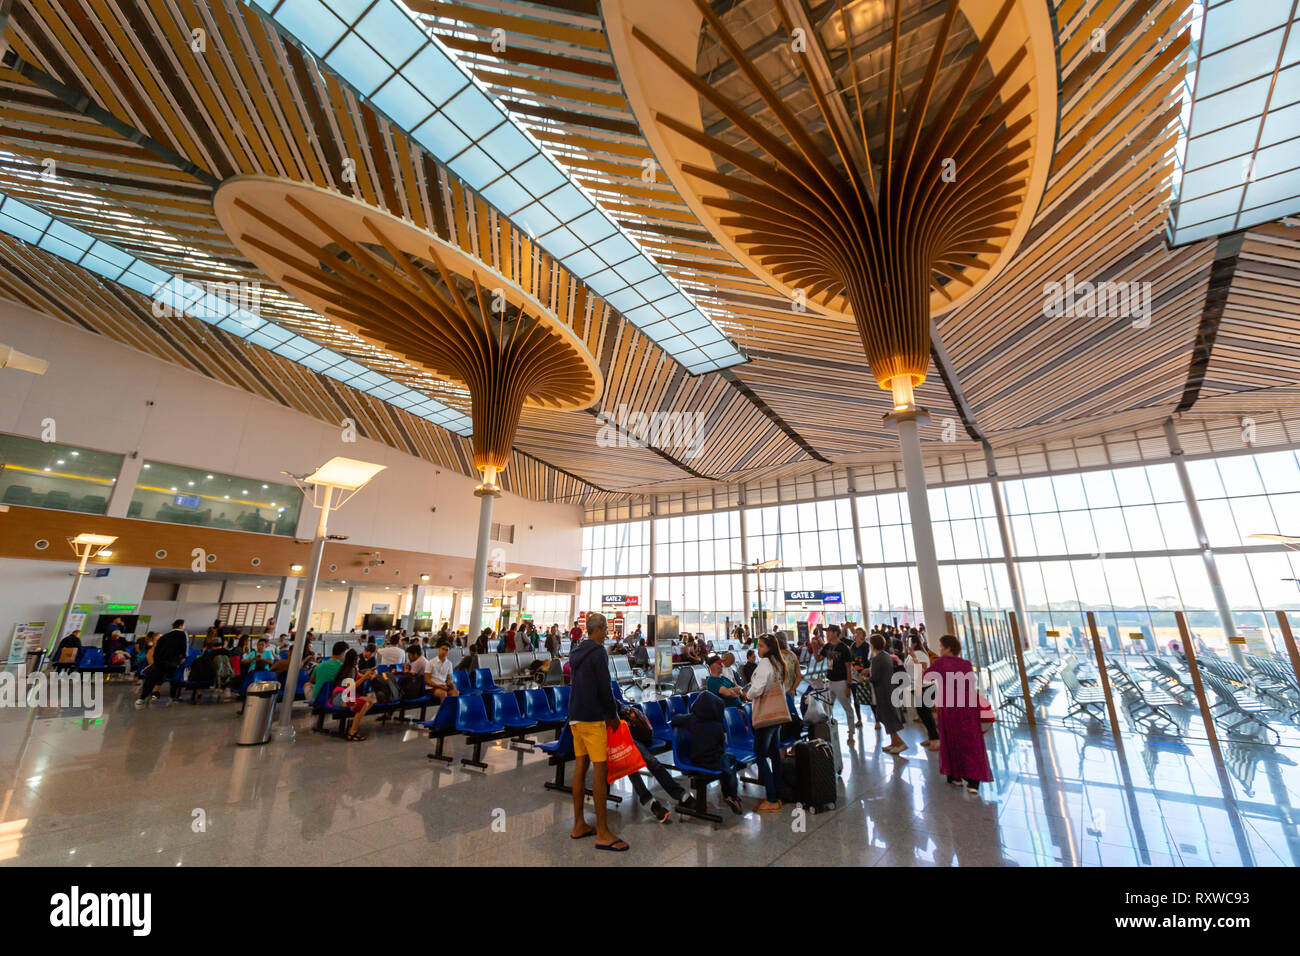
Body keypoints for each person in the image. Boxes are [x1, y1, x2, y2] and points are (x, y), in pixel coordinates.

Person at [567, 611, 626, 852]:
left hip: (574, 716)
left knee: (581, 767)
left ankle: (579, 823)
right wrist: (612, 715)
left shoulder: (576, 652)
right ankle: (602, 832)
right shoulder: (599, 652)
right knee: (600, 771)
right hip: (592, 718)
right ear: (599, 629)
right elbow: (604, 686)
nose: (607, 633)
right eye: (606, 629)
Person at [924, 634, 993, 793]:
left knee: (951, 740)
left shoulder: (940, 663)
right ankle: (973, 780)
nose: (940, 649)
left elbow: (927, 677)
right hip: (968, 708)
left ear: (948, 648)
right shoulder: (966, 664)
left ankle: (955, 775)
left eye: (941, 646)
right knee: (970, 742)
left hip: (949, 708)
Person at [619, 703, 694, 823]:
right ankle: (651, 802)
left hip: (623, 732)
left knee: (651, 761)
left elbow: (616, 707)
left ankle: (680, 794)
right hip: (610, 737)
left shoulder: (604, 690)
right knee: (632, 763)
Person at [671, 691, 742, 815]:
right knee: (730, 762)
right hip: (713, 762)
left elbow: (675, 720)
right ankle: (731, 795)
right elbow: (721, 747)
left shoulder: (691, 719)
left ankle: (730, 795)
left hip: (696, 759)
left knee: (726, 763)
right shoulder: (717, 726)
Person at [748, 635, 788, 813]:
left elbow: (758, 688)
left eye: (761, 646)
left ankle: (772, 798)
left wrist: (747, 694)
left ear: (769, 648)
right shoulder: (778, 663)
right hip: (776, 715)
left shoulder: (765, 663)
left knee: (760, 755)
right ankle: (777, 794)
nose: (758, 649)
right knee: (774, 754)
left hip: (765, 717)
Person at [818, 624, 857, 743]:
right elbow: (819, 658)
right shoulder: (827, 646)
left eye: (829, 632)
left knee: (847, 708)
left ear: (835, 633)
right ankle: (827, 733)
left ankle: (851, 734)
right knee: (827, 708)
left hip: (841, 682)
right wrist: (815, 647)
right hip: (830, 681)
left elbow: (848, 667)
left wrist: (848, 686)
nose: (827, 634)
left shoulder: (843, 648)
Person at [868, 634, 907, 754]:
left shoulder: (877, 658)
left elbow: (875, 677)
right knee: (886, 717)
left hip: (883, 692)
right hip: (889, 689)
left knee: (888, 717)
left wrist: (866, 677)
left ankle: (900, 743)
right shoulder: (885, 656)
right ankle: (894, 742)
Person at [136, 620, 188, 707]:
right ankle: (173, 697)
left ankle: (141, 698)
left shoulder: (164, 636)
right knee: (175, 679)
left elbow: (157, 651)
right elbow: (184, 648)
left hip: (159, 662)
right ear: (180, 626)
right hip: (172, 663)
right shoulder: (182, 634)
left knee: (152, 680)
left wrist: (157, 661)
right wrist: (183, 657)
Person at [330, 649, 375, 741]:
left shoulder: (353, 668)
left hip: (347, 696)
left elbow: (362, 676)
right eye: (358, 657)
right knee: (364, 704)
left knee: (371, 701)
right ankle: (352, 732)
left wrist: (369, 673)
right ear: (355, 659)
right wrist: (365, 677)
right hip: (340, 697)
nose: (359, 659)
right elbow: (351, 686)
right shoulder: (349, 669)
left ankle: (353, 722)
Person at [905, 635, 940, 749]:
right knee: (924, 714)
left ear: (914, 643)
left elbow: (923, 670)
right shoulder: (911, 655)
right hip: (918, 687)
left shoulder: (919, 654)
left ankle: (935, 739)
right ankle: (932, 736)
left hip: (925, 687)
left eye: (908, 642)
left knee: (925, 714)